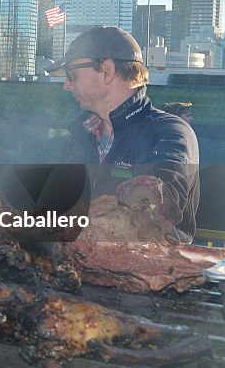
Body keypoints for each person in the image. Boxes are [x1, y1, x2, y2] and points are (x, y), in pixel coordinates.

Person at [46, 26, 199, 241]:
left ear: (107, 70)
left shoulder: (170, 133)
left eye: (72, 74)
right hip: (79, 268)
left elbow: (155, 203)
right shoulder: (79, 137)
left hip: (144, 270)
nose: (66, 85)